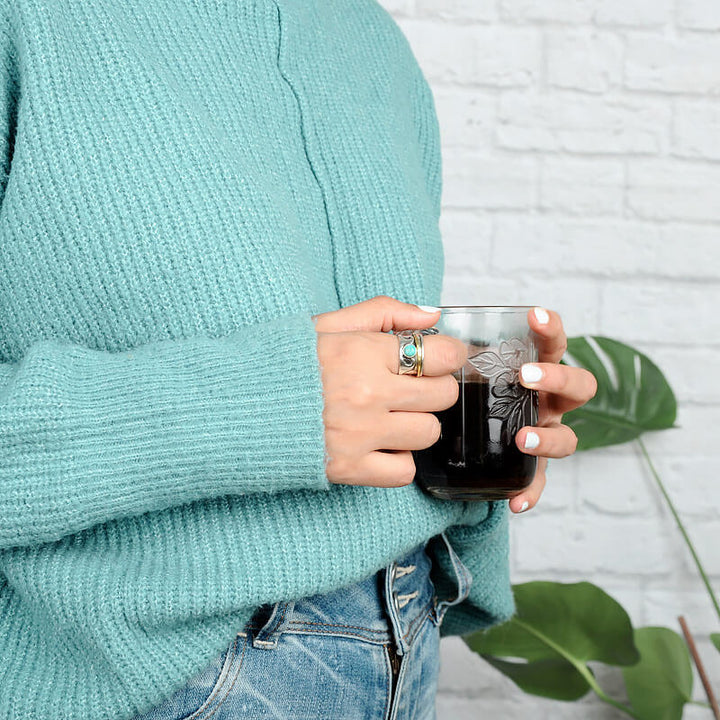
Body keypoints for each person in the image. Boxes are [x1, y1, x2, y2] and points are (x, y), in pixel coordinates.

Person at [0, 1, 596, 719]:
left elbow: (364, 347)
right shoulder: (31, 23)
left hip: (407, 629)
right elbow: (297, 387)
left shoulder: (368, 36)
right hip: (157, 676)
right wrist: (264, 405)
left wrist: (458, 413)